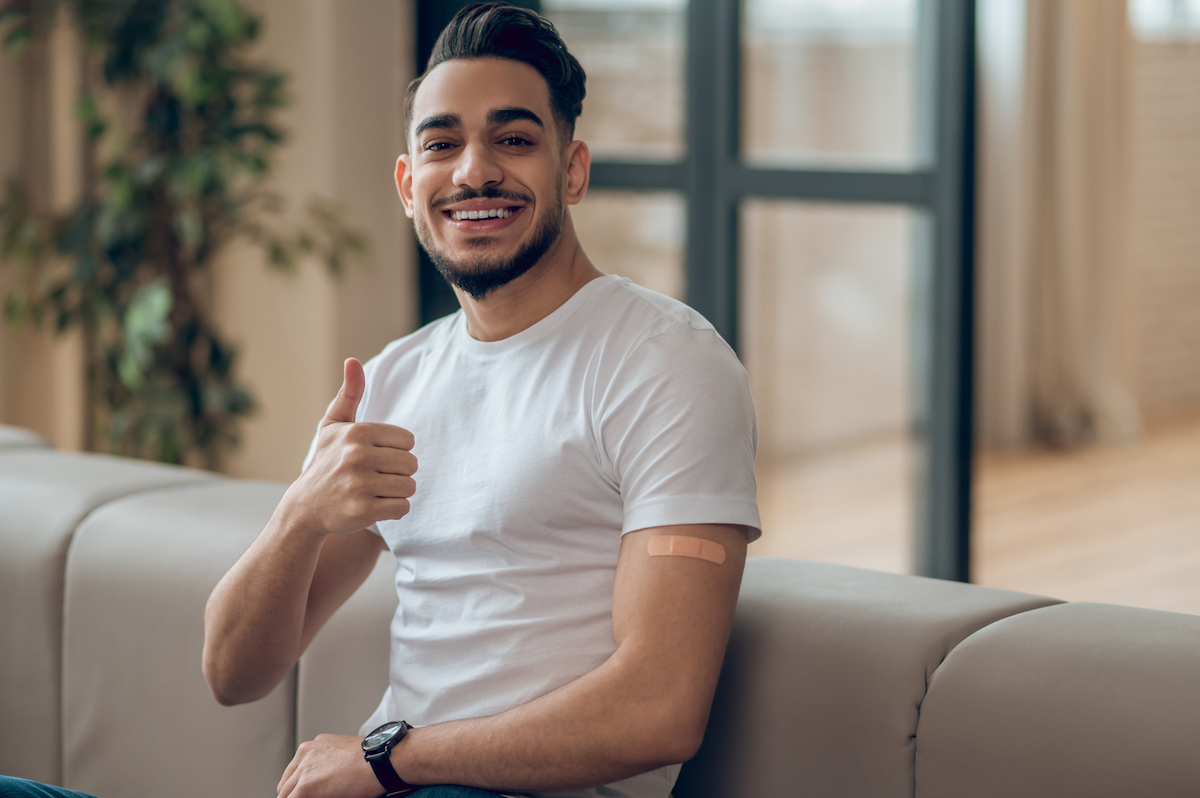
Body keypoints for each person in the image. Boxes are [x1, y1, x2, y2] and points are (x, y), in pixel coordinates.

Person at [0, 4, 759, 798]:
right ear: (408, 184)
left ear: (571, 170)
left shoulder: (664, 361)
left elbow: (661, 709)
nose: (473, 172)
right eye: (441, 144)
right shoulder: (397, 380)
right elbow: (232, 672)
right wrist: (302, 512)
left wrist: (386, 758)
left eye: (514, 139)